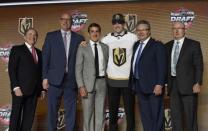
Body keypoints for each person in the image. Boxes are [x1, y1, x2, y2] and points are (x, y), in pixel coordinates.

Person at [42, 12, 84, 131]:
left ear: (72, 22)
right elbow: (45, 58)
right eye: (63, 19)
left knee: (71, 112)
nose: (65, 21)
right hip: (54, 80)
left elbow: (82, 60)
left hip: (71, 80)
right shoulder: (50, 36)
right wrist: (45, 77)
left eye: (68, 19)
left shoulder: (79, 39)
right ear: (60, 21)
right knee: (52, 111)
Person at [101, 13, 137, 131]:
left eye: (120, 22)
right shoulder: (106, 39)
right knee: (112, 112)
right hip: (112, 80)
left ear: (124, 24)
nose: (117, 25)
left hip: (127, 81)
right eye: (115, 23)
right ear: (112, 24)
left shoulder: (133, 37)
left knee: (130, 112)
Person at [165, 21, 203, 131]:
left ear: (185, 30)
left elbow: (198, 66)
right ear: (172, 30)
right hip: (173, 85)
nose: (176, 30)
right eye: (174, 28)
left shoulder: (194, 44)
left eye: (180, 28)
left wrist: (197, 82)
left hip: (189, 85)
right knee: (175, 116)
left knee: (190, 116)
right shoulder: (167, 46)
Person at [129, 20, 167, 131]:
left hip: (154, 87)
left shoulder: (157, 45)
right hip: (139, 86)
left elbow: (162, 67)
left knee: (157, 116)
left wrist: (160, 84)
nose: (141, 32)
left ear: (149, 31)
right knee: (145, 117)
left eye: (144, 30)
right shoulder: (136, 45)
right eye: (138, 30)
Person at [8, 28, 45, 131]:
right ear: (24, 36)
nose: (32, 36)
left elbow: (41, 72)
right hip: (20, 90)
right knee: (16, 116)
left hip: (34, 90)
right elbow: (12, 69)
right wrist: (15, 87)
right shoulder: (17, 49)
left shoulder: (39, 53)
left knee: (29, 118)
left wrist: (42, 89)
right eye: (29, 34)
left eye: (34, 35)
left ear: (36, 38)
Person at [76, 23, 108, 131]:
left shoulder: (105, 47)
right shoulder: (82, 47)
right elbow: (78, 68)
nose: (95, 33)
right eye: (92, 31)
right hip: (87, 85)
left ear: (100, 33)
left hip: (102, 83)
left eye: (97, 31)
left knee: (100, 113)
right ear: (89, 33)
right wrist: (81, 86)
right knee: (88, 114)